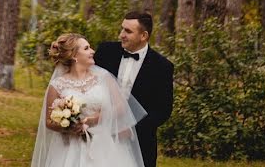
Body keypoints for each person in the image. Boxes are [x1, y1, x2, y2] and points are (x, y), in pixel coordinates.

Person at [31, 33, 146, 167]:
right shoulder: (57, 85)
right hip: (70, 148)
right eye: (86, 48)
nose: (93, 51)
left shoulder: (104, 77)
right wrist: (70, 126)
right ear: (74, 55)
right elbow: (49, 122)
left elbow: (120, 107)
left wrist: (94, 120)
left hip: (104, 146)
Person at [93, 11, 174, 167]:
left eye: (128, 31)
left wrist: (132, 130)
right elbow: (84, 77)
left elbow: (163, 110)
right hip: (99, 135)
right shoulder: (105, 51)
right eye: (122, 29)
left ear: (143, 36)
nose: (121, 35)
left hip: (140, 143)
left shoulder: (162, 67)